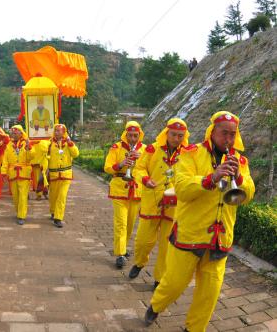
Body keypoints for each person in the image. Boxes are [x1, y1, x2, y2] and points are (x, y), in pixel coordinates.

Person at [145, 111, 255, 331]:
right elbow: (183, 188)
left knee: (209, 294)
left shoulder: (240, 160)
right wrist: (211, 178)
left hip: (220, 238)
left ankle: (194, 328)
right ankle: (156, 306)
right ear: (212, 132)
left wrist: (239, 178)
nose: (229, 139)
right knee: (173, 285)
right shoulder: (191, 153)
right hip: (189, 234)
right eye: (224, 133)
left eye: (233, 134)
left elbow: (249, 193)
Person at [129, 118, 190, 288]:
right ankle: (140, 262)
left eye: (180, 135)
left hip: (174, 206)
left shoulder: (188, 153)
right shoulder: (152, 149)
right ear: (166, 133)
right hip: (152, 202)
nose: (176, 138)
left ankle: (159, 278)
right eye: (173, 134)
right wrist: (145, 179)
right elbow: (139, 168)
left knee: (166, 246)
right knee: (143, 241)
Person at [104, 121, 145, 268]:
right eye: (130, 136)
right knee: (121, 223)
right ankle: (120, 253)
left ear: (139, 135)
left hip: (136, 190)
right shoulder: (117, 147)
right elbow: (107, 167)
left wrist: (140, 159)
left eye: (135, 136)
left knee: (130, 224)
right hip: (120, 188)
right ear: (125, 135)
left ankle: (123, 247)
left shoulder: (145, 149)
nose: (133, 139)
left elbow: (149, 168)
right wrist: (121, 164)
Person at [47, 124, 79, 227]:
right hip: (53, 174)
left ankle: (58, 218)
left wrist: (70, 144)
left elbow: (76, 154)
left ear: (64, 132)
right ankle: (53, 211)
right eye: (55, 130)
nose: (57, 132)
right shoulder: (50, 143)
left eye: (59, 131)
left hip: (66, 174)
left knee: (62, 196)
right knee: (53, 196)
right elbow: (44, 155)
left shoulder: (69, 143)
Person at [1, 125, 32, 225]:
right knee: (15, 196)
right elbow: (5, 160)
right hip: (13, 174)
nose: (13, 134)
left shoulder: (26, 143)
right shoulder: (8, 145)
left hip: (24, 173)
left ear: (20, 133)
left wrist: (29, 148)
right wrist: (3, 172)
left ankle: (21, 215)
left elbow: (31, 157)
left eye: (15, 133)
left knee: (23, 195)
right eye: (12, 133)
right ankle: (19, 212)